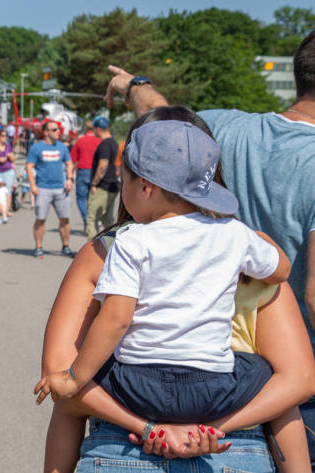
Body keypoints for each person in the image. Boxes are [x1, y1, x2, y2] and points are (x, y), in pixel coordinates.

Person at [39, 107, 315, 473]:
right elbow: (299, 378)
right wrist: (211, 428)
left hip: (124, 435)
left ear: (142, 184)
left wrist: (143, 423)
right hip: (230, 438)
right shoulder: (239, 240)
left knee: (75, 380)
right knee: (269, 378)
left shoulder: (118, 245)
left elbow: (67, 368)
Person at [104, 31, 315, 465]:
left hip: (172, 366)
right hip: (275, 382)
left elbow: (161, 120)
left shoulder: (223, 127)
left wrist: (132, 85)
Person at [26, 120, 74, 258]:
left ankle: (65, 246)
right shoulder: (36, 148)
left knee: (65, 219)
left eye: (58, 129)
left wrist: (69, 179)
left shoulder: (62, 147)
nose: (58, 132)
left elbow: (69, 163)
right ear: (46, 132)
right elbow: (29, 166)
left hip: (61, 189)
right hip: (43, 189)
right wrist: (33, 185)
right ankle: (38, 247)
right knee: (40, 219)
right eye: (54, 130)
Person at [85, 116, 119, 239]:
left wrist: (94, 183)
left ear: (98, 129)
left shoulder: (104, 144)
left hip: (103, 186)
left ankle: (92, 252)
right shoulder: (114, 143)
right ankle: (111, 247)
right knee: (108, 220)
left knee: (92, 219)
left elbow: (103, 166)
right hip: (113, 186)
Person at [70, 120, 101, 231]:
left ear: (85, 128)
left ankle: (85, 218)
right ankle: (91, 221)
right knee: (91, 199)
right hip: (95, 171)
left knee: (80, 198)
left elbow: (73, 158)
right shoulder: (99, 141)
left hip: (82, 170)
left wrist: (69, 175)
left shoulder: (80, 140)